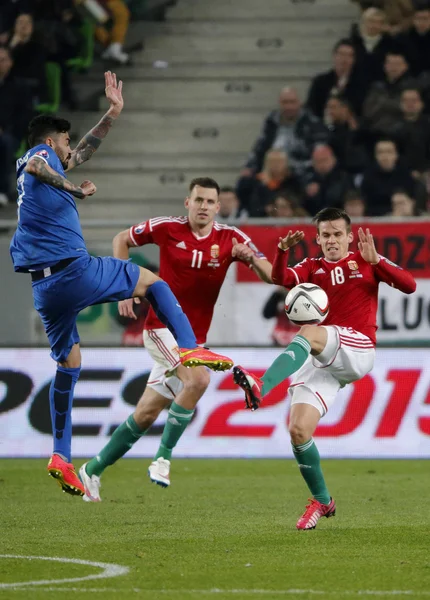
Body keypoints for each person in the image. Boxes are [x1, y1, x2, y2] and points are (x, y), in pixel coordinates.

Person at [8, 73, 233, 498]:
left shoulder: (43, 166)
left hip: (45, 289)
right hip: (73, 270)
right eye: (66, 140)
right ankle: (189, 347)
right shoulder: (38, 155)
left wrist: (112, 113)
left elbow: (83, 152)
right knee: (152, 283)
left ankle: (60, 455)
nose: (69, 147)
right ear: (53, 139)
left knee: (70, 364)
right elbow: (41, 164)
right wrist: (75, 189)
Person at [79, 177, 272, 501]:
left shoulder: (231, 238)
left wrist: (250, 258)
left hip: (193, 340)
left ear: (218, 207)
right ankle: (163, 458)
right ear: (187, 202)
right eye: (198, 200)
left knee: (145, 414)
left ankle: (91, 470)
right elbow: (121, 238)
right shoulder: (168, 228)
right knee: (198, 379)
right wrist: (123, 284)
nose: (203, 206)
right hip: (160, 329)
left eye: (210, 202)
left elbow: (270, 274)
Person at [233, 207, 416, 530]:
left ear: (349, 236)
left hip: (358, 347)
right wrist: (281, 252)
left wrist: (378, 261)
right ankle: (322, 500)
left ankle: (262, 384)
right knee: (298, 430)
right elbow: (280, 279)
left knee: (309, 332)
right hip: (325, 356)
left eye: (337, 234)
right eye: (326, 235)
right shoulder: (312, 267)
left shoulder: (366, 261)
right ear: (318, 239)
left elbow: (410, 285)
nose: (332, 241)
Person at [241, 87, 328, 180]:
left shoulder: (312, 123)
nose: (289, 106)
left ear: (299, 103)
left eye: (292, 102)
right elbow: (259, 147)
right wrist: (249, 167)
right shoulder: (272, 121)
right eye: (285, 102)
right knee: (245, 182)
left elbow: (319, 155)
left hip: (300, 173)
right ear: (279, 103)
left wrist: (291, 169)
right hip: (271, 171)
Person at [306, 39, 366, 119]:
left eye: (349, 55)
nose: (344, 59)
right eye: (341, 54)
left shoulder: (361, 85)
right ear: (334, 56)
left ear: (353, 60)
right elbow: (311, 109)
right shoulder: (320, 82)